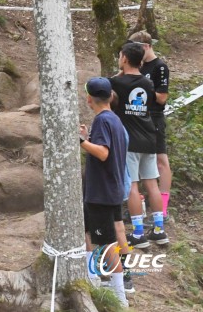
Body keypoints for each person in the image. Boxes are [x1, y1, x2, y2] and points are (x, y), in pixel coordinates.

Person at [109, 42, 168, 248]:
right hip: (149, 139)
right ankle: (159, 230)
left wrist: (118, 75)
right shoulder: (148, 83)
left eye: (120, 55)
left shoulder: (116, 83)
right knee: (152, 184)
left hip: (129, 141)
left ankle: (138, 233)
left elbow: (100, 88)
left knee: (133, 185)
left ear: (124, 58)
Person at [79, 77, 129, 306]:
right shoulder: (114, 120)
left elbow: (103, 153)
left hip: (102, 192)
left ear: (89, 99)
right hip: (105, 189)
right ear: (110, 96)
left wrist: (82, 141)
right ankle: (91, 280)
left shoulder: (103, 120)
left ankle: (120, 296)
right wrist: (88, 138)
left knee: (108, 244)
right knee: (88, 232)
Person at [129, 31, 172, 218]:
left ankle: (163, 206)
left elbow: (162, 98)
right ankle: (140, 204)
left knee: (160, 160)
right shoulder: (136, 65)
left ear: (146, 47)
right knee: (136, 162)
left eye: (136, 49)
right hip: (136, 117)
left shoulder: (160, 67)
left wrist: (144, 87)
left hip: (154, 117)